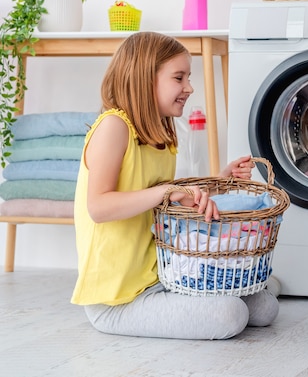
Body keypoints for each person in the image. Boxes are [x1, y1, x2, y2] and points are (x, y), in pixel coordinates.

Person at [71, 31, 279, 340]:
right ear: (144, 79)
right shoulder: (113, 128)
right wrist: (166, 192)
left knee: (264, 307)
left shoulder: (160, 135)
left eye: (188, 78)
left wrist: (221, 182)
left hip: (162, 275)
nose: (189, 88)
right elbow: (98, 207)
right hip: (116, 299)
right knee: (231, 313)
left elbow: (164, 198)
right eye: (179, 78)